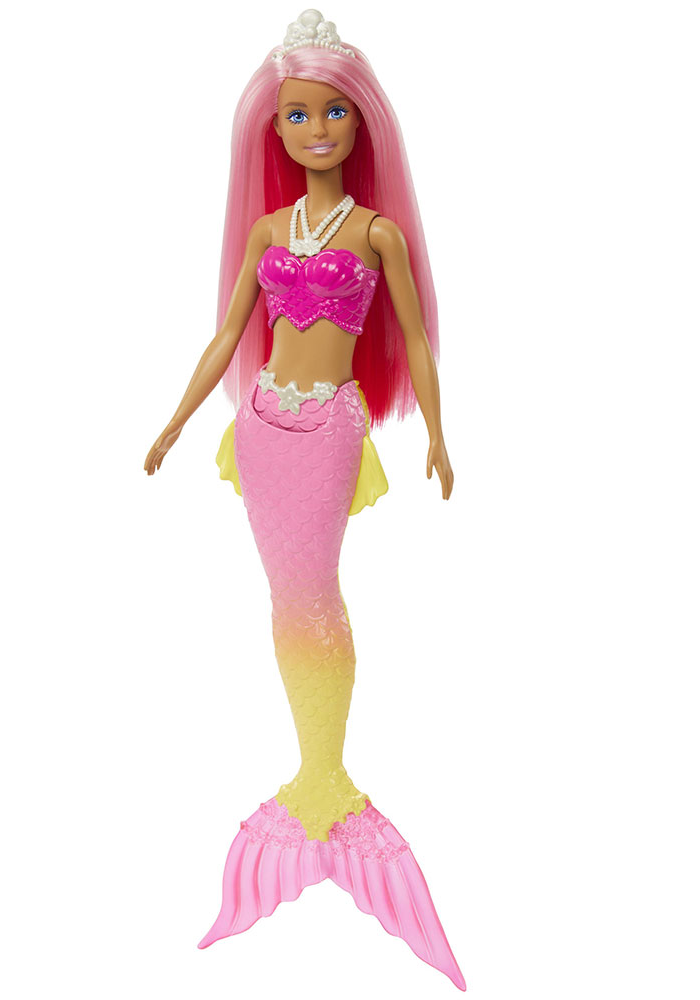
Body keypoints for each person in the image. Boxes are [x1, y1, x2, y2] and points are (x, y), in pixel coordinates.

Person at [143, 10, 463, 990]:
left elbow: (416, 339)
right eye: (296, 114)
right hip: (262, 422)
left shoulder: (377, 233)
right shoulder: (268, 230)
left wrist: (440, 433)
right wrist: (176, 420)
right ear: (273, 128)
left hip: (327, 425)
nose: (316, 129)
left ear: (361, 121)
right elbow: (225, 334)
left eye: (332, 111)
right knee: (286, 593)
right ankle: (313, 769)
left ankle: (326, 774)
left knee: (314, 588)